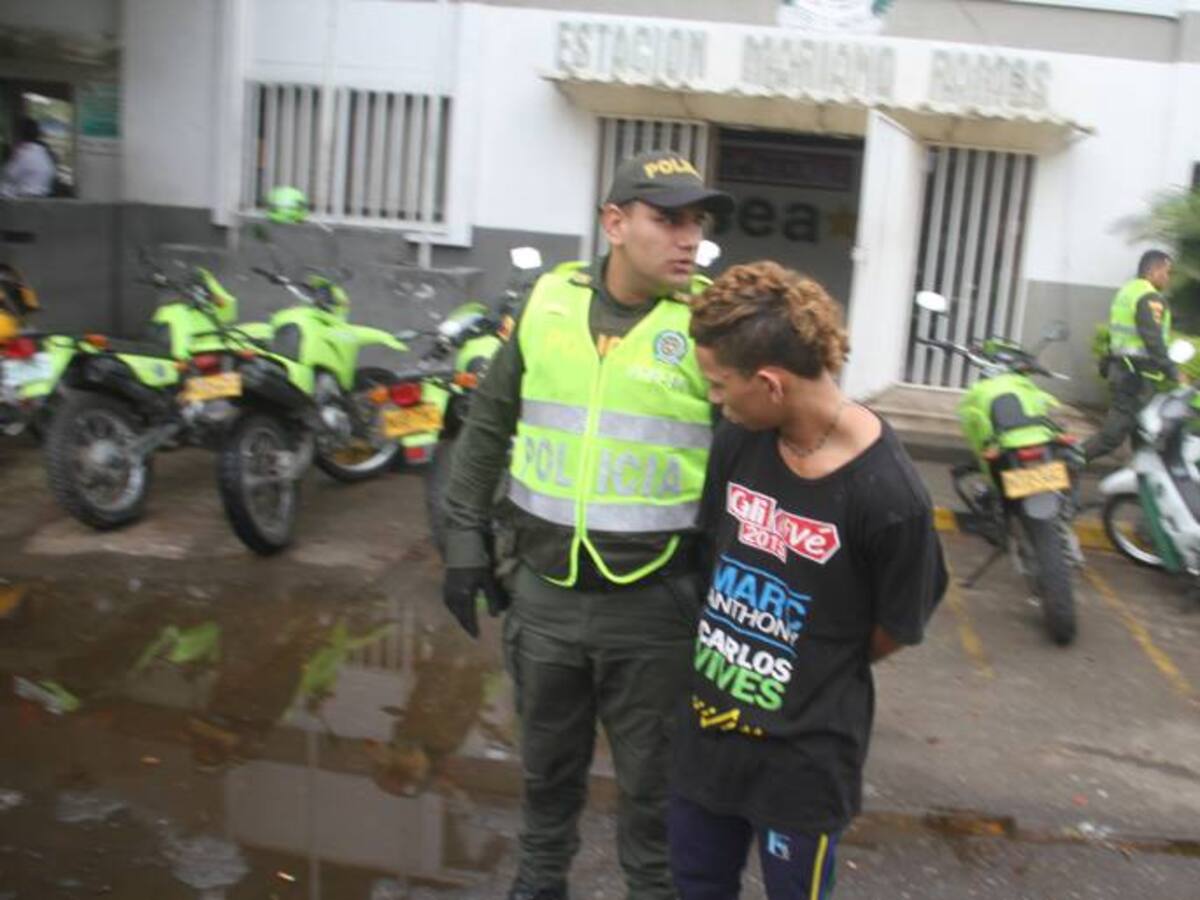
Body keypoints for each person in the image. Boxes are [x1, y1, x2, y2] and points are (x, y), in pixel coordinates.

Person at [440, 148, 733, 900]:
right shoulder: (548, 302)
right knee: (545, 781)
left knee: (653, 801)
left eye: (695, 222)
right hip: (543, 597)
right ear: (613, 222)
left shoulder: (711, 326)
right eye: (667, 220)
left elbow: (750, 469)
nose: (687, 238)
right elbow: (486, 427)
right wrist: (464, 542)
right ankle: (538, 886)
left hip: (656, 607)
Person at [668, 262, 947, 899]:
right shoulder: (739, 442)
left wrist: (810, 663)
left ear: (769, 383)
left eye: (718, 385)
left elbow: (893, 628)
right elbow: (713, 552)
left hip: (805, 761)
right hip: (708, 737)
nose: (714, 400)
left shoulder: (890, 496)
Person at [1084, 249, 1179, 462]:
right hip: (1134, 377)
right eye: (1167, 271)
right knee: (1112, 436)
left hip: (1125, 371)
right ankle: (1063, 467)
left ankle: (1142, 486)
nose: (1168, 278)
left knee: (1143, 434)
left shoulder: (1127, 291)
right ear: (1154, 270)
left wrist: (1108, 361)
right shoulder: (1149, 296)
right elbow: (1152, 338)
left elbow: (1116, 334)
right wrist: (1172, 371)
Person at [0, 117, 56, 199]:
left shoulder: (23, 153)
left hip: (23, 200)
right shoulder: (43, 152)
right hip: (41, 196)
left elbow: (9, 174)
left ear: (20, 135)